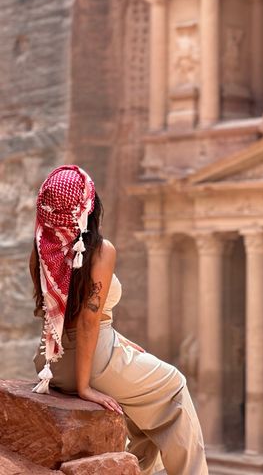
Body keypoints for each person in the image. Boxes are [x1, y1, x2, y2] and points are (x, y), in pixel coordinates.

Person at [30, 164, 208, 475]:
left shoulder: (42, 249)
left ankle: (133, 469)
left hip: (50, 361)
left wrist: (121, 342)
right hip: (93, 361)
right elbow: (87, 322)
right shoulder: (99, 251)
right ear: (88, 206)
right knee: (174, 389)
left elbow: (65, 317)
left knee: (144, 408)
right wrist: (85, 387)